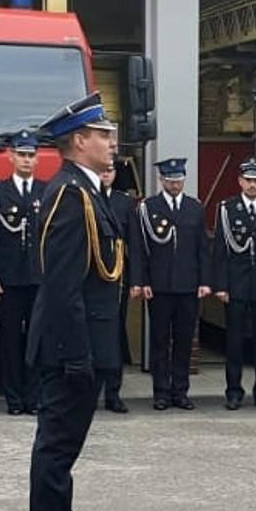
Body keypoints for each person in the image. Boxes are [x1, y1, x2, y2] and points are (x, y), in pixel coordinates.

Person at [26, 92, 124, 511]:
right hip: (69, 350)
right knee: (55, 453)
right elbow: (63, 286)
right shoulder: (70, 195)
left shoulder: (85, 190)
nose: (112, 142)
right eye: (103, 134)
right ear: (79, 141)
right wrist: (76, 356)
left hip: (81, 346)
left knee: (62, 454)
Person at [133, 157, 210, 411]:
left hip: (188, 286)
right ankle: (161, 393)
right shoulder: (148, 208)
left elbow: (202, 248)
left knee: (184, 341)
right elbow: (140, 249)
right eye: (169, 180)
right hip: (159, 286)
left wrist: (205, 281)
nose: (174, 185)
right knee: (159, 341)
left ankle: (181, 391)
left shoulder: (194, 207)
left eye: (178, 180)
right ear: (161, 180)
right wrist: (142, 280)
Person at [211, 159, 256, 411]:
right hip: (236, 284)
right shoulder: (227, 208)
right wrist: (221, 285)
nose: (252, 185)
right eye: (248, 180)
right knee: (234, 341)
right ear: (240, 181)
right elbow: (220, 250)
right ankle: (234, 391)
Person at [0, 131, 47, 416]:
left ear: (37, 159)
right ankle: (13, 399)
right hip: (7, 280)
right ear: (11, 157)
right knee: (9, 341)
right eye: (21, 155)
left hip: (38, 278)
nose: (26, 160)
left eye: (31, 155)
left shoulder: (47, 191)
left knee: (37, 340)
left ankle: (34, 398)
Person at [97, 158, 137, 414]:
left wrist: (137, 280)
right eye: (102, 170)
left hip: (117, 277)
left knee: (114, 334)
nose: (106, 175)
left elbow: (135, 244)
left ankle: (113, 393)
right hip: (91, 277)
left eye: (109, 171)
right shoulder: (85, 197)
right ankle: (90, 392)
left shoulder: (125, 203)